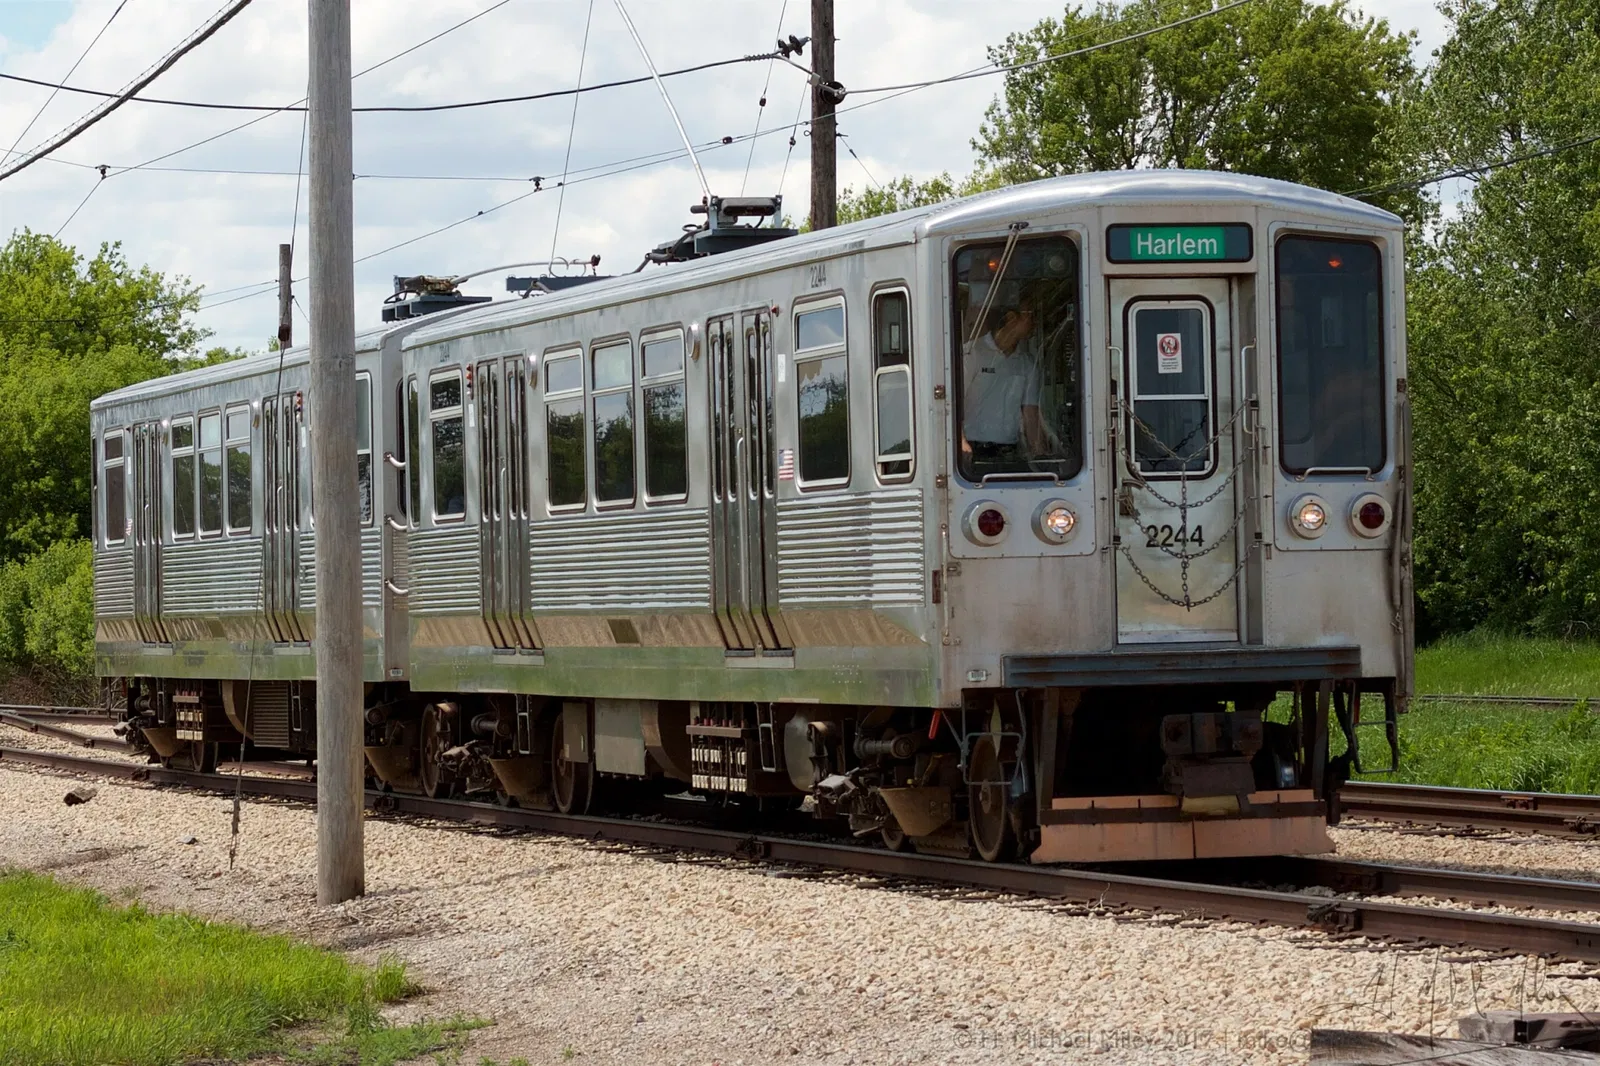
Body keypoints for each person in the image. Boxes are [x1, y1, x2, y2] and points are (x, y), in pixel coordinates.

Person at [961, 304, 1049, 467]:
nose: (1035, 322)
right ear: (1010, 318)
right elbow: (952, 402)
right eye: (1030, 315)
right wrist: (960, 442)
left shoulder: (1026, 363)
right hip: (972, 450)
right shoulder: (972, 353)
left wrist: (1040, 454)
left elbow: (1030, 413)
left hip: (1010, 452)